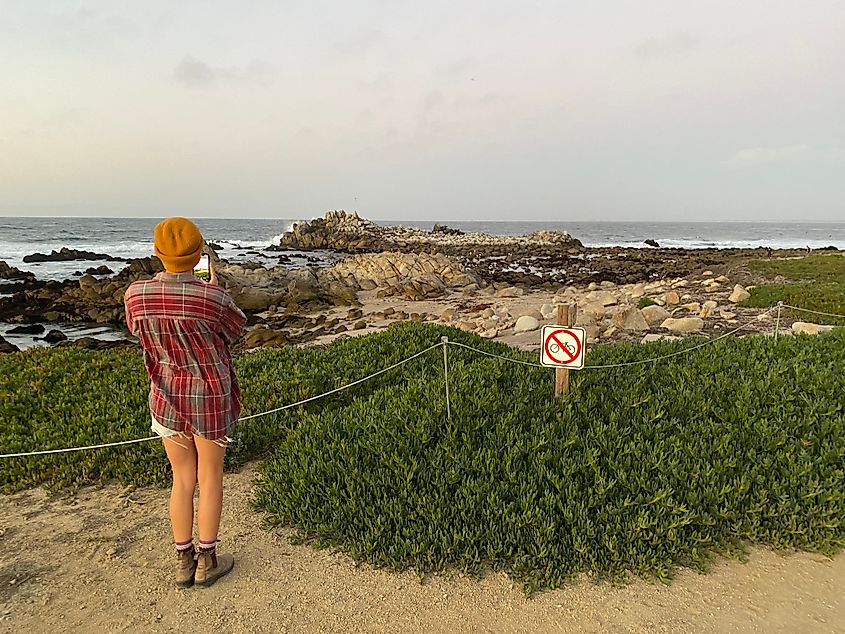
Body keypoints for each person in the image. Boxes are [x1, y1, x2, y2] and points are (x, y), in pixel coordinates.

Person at [124, 217, 246, 588]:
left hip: (166, 395)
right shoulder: (213, 298)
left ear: (158, 253)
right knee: (210, 478)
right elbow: (235, 332)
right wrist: (213, 289)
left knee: (182, 478)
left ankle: (182, 560)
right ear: (199, 254)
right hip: (210, 397)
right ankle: (207, 559)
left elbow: (134, 329)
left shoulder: (135, 294)